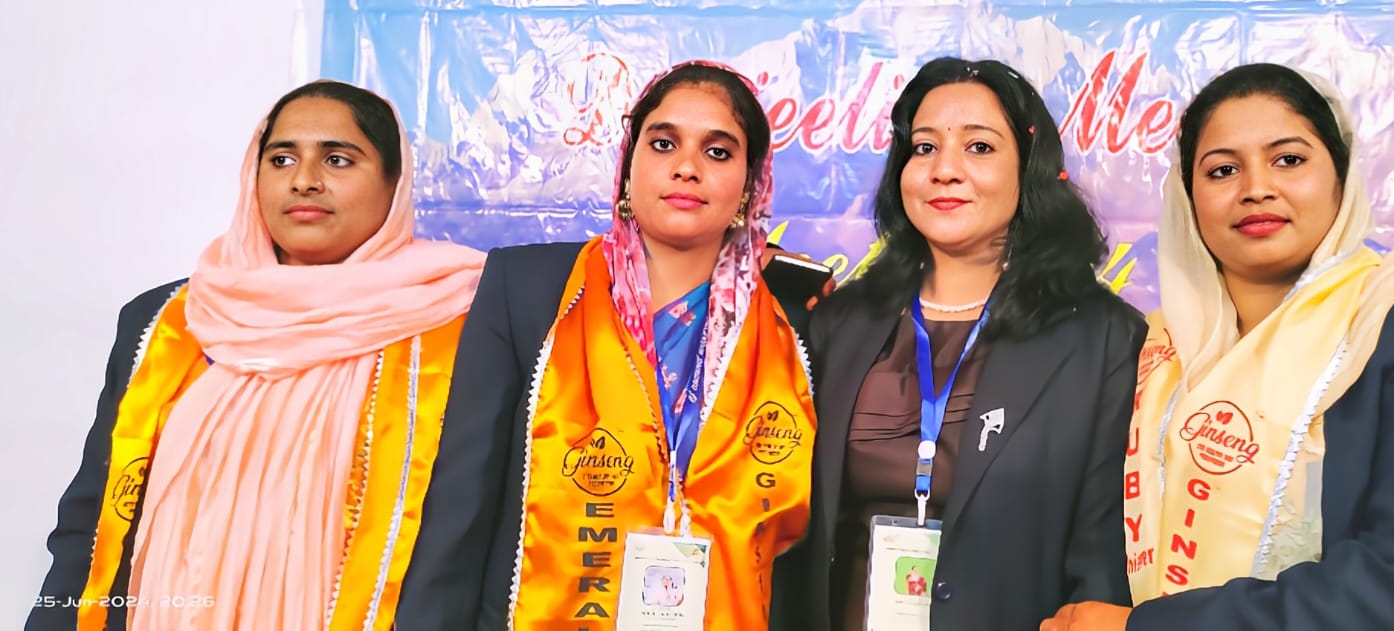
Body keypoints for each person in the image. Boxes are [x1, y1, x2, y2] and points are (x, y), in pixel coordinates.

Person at [1043, 63, 1394, 631]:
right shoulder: (1151, 347)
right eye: (1222, 169)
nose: (1256, 188)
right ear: (1188, 197)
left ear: (1341, 175)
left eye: (1288, 160)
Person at [28, 80, 486, 631]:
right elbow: (93, 515)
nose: (304, 179)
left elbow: (479, 532)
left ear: (395, 183)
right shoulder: (172, 320)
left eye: (338, 159)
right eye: (282, 159)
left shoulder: (456, 322)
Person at [401, 61, 827, 629]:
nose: (686, 167)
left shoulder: (797, 317)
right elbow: (460, 506)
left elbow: (811, 547)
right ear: (628, 166)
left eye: (718, 152)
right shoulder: (528, 289)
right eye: (663, 143)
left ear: (751, 184)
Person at [784, 57, 1146, 631]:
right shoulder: (838, 323)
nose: (945, 170)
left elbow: (1103, 555)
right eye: (924, 148)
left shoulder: (1101, 337)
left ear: (1029, 168)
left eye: (979, 147)